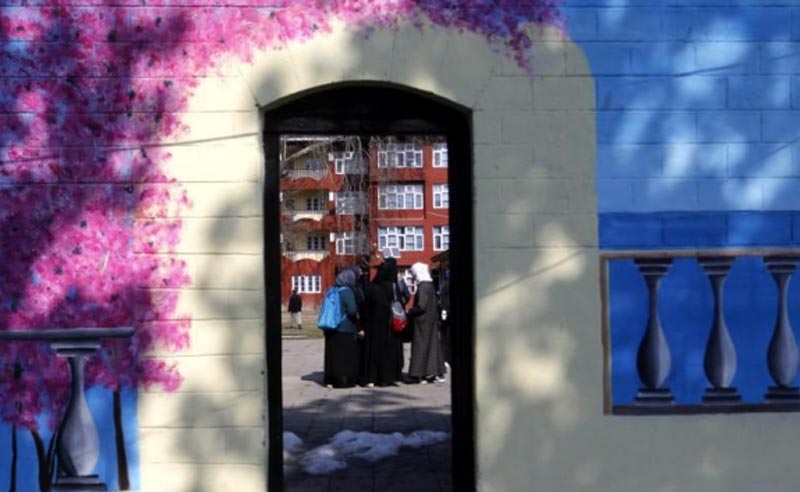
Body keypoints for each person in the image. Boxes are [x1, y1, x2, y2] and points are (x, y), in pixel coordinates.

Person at [362, 260, 404, 387]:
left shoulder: (372, 287)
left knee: (374, 351)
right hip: (390, 326)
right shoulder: (394, 288)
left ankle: (373, 377)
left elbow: (365, 307)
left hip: (374, 326)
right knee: (390, 352)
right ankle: (390, 377)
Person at [407, 262, 446, 384]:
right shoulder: (430, 285)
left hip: (422, 322)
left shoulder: (422, 287)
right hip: (431, 320)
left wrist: (411, 312)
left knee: (420, 348)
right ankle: (432, 372)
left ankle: (418, 373)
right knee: (432, 347)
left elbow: (421, 305)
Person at [323, 269, 360, 388]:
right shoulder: (347, 292)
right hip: (345, 328)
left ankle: (330, 379)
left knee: (333, 355)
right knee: (344, 356)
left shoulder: (332, 290)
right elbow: (352, 311)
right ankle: (343, 381)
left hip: (331, 327)